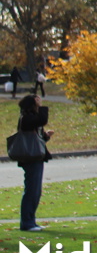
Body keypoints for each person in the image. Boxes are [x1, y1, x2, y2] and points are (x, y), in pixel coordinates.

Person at [16, 94, 54, 231]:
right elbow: (42, 120)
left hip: (36, 157)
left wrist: (46, 136)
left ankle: (31, 221)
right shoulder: (26, 118)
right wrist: (41, 106)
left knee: (35, 192)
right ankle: (27, 223)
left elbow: (38, 136)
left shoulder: (31, 118)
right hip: (30, 158)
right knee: (31, 191)